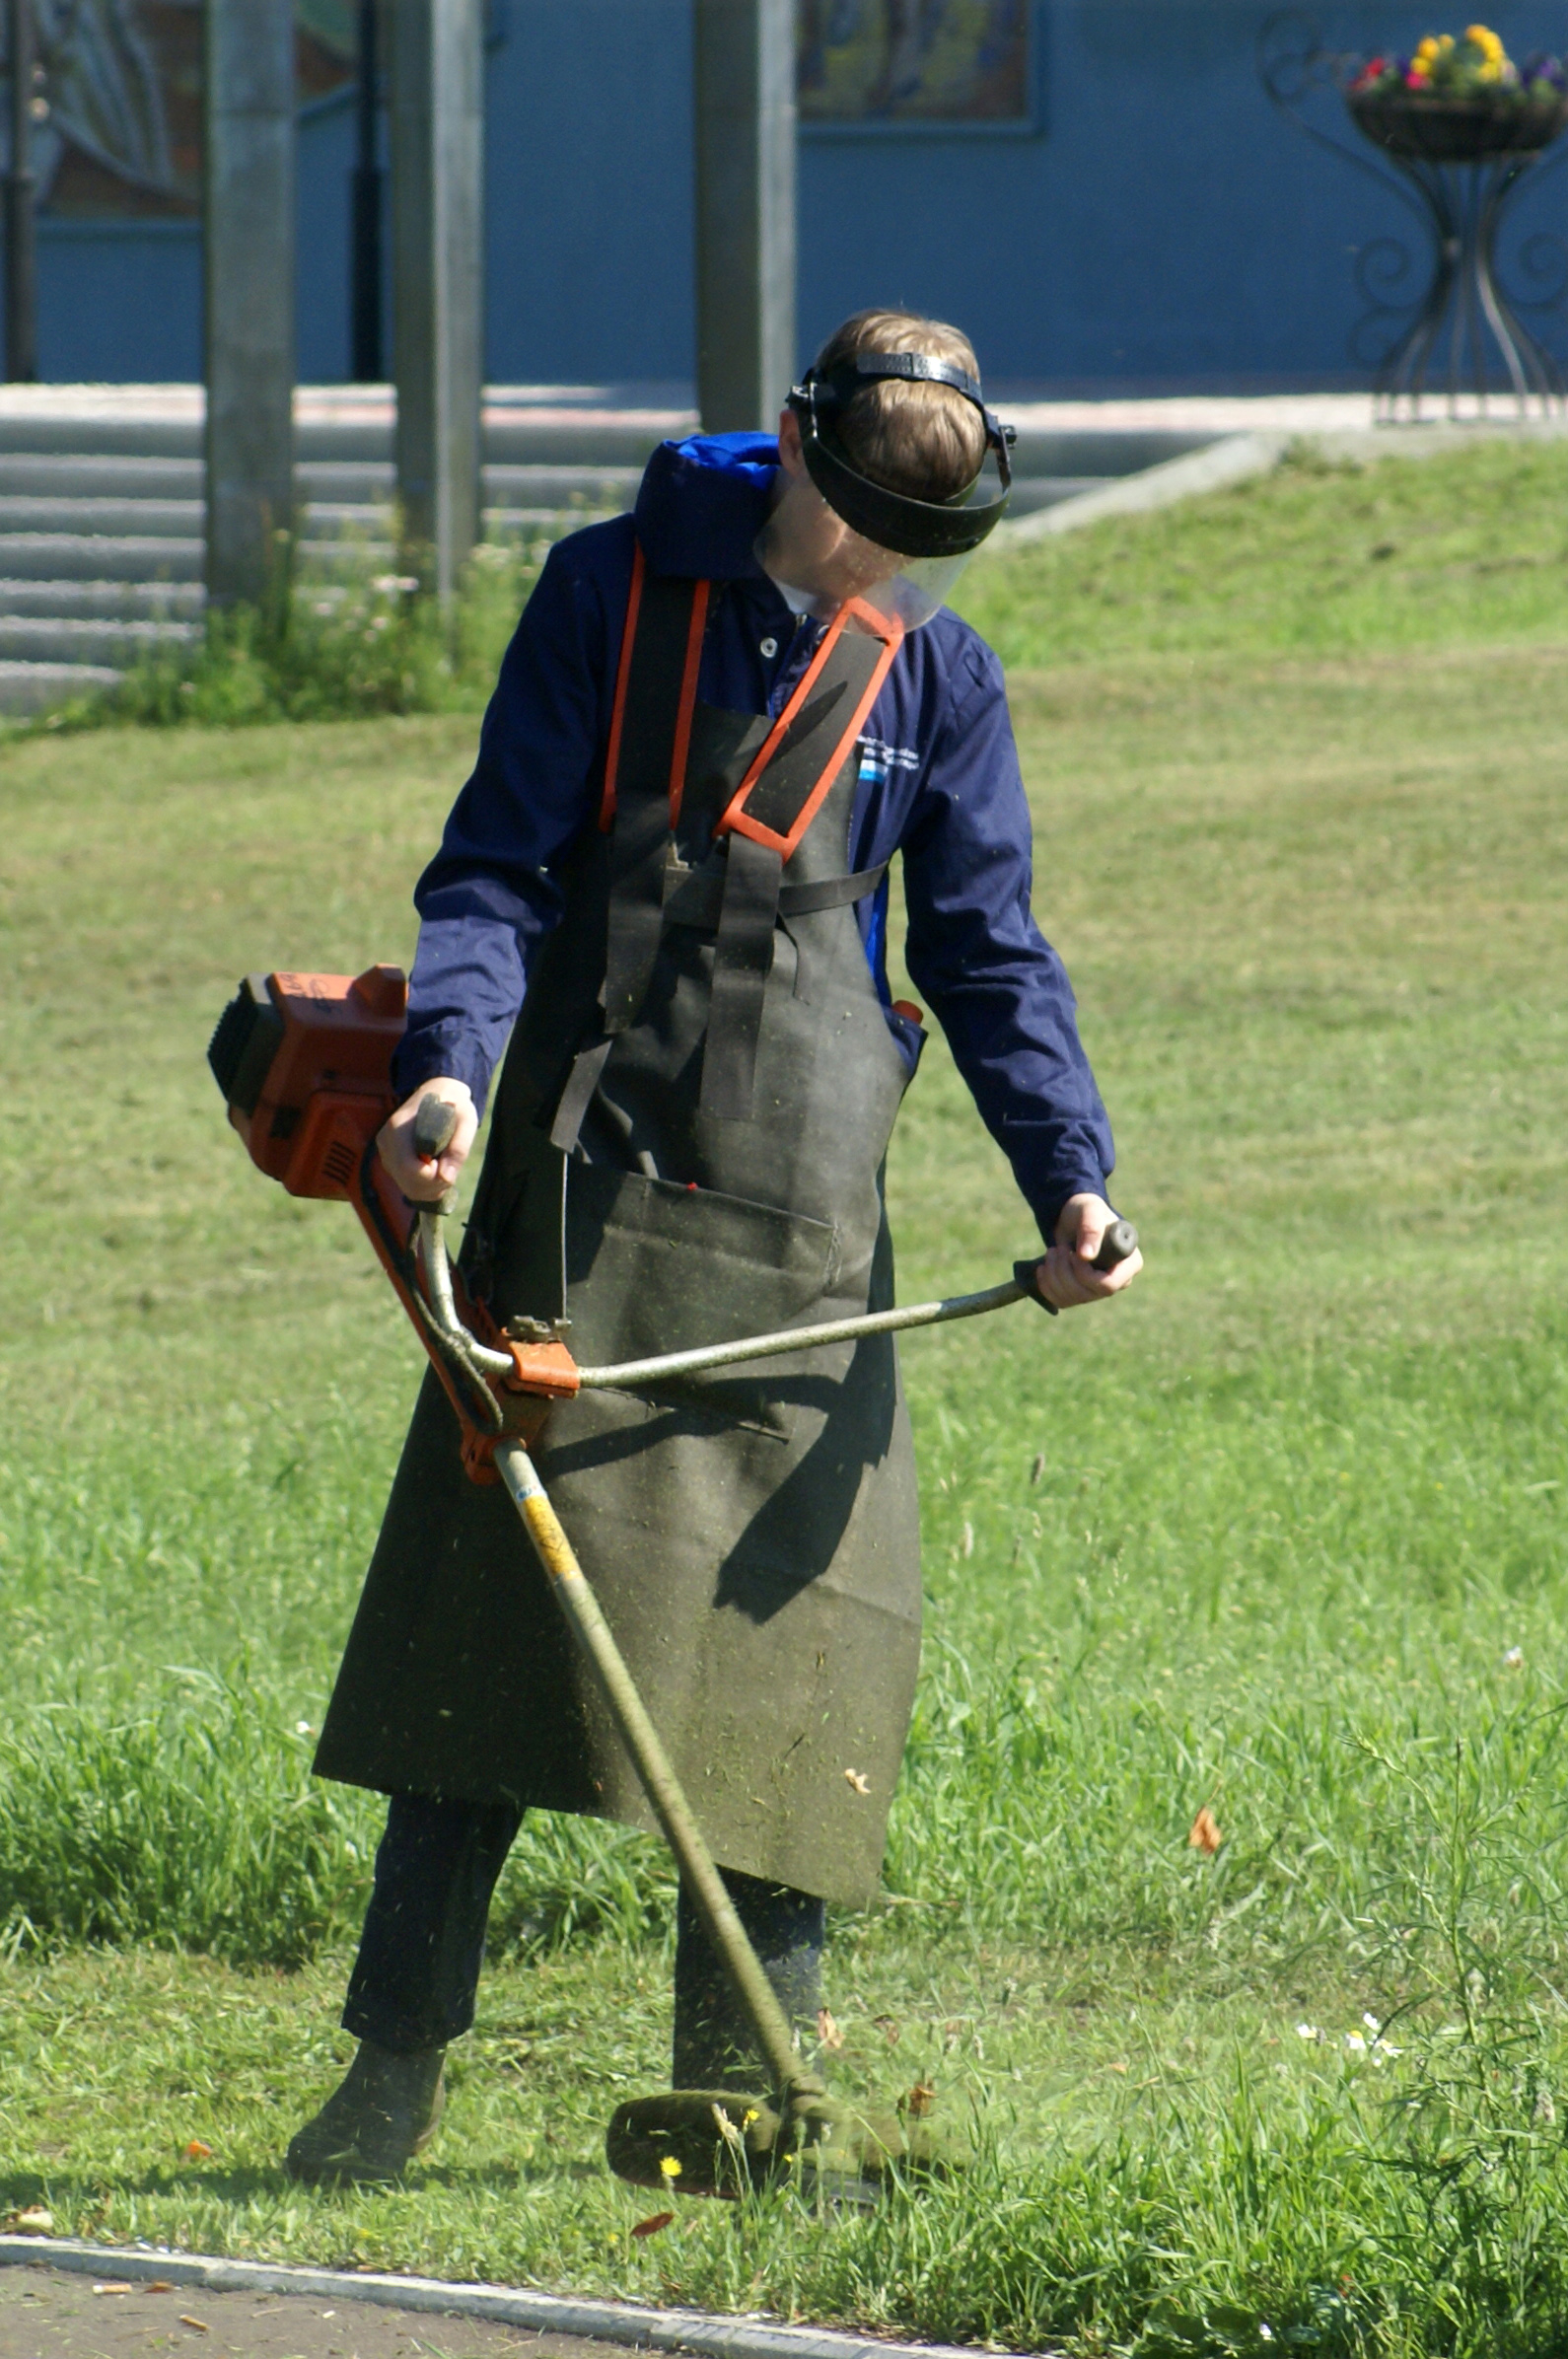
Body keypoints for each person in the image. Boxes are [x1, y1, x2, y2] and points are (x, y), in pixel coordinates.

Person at [286, 308, 1141, 2182]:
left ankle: (747, 2091)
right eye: (855, 535)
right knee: (483, 1647)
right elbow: (494, 870)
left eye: (918, 551)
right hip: (582, 1200)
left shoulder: (943, 680)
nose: (880, 577)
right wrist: (447, 1073)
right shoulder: (606, 595)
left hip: (812, 1228)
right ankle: (388, 2075)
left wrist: (1065, 1176)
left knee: (798, 1656)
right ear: (788, 449)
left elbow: (985, 954)